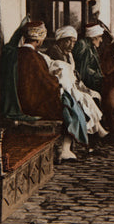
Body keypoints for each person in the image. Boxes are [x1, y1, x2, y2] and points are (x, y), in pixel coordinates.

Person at [10, 21, 88, 160]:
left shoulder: (18, 54)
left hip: (21, 100)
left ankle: (65, 148)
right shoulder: (34, 57)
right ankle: (65, 148)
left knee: (70, 101)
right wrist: (57, 79)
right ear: (39, 39)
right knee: (69, 105)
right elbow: (45, 82)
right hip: (32, 104)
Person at [48, 25, 108, 148]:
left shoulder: (68, 55)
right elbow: (63, 77)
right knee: (87, 100)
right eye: (68, 41)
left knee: (91, 98)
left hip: (71, 86)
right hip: (60, 90)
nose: (71, 45)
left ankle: (96, 136)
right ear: (60, 41)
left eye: (73, 41)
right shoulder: (54, 53)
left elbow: (74, 73)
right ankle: (95, 138)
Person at [73, 22, 105, 92]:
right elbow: (83, 71)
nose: (101, 40)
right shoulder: (83, 45)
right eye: (100, 37)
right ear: (94, 36)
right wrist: (99, 77)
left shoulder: (92, 47)